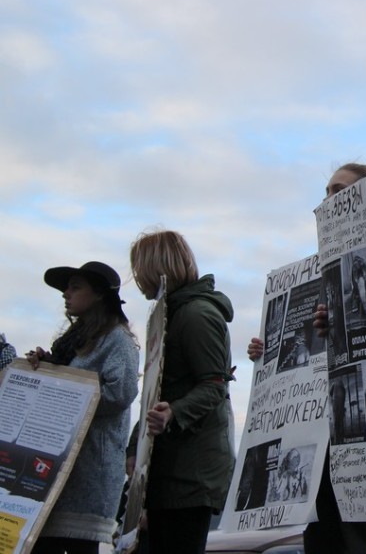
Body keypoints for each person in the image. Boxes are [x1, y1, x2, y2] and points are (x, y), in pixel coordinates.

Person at [247, 162, 366, 554]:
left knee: (364, 533)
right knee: (323, 533)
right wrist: (268, 357)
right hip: (318, 428)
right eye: (327, 191)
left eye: (340, 190)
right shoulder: (318, 267)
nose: (329, 198)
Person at [129, 229, 235, 554]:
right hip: (169, 471)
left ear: (156, 267)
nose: (137, 277)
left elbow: (214, 385)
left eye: (139, 268)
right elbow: (160, 391)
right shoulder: (170, 316)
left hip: (190, 476)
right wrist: (135, 446)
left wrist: (174, 413)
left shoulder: (196, 315)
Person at [26, 261, 139, 554]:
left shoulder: (117, 339)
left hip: (89, 474)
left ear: (99, 294)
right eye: (67, 288)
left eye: (75, 287)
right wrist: (46, 369)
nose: (66, 293)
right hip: (57, 472)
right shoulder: (74, 342)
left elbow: (121, 392)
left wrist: (65, 392)